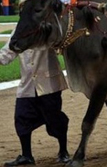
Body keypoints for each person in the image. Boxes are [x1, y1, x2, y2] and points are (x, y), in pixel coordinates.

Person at [1, 29, 70, 166]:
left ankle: (63, 151)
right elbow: (6, 54)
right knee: (21, 118)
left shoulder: (48, 28)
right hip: (27, 86)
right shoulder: (18, 31)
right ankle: (27, 156)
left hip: (49, 85)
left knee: (55, 120)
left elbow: (59, 43)